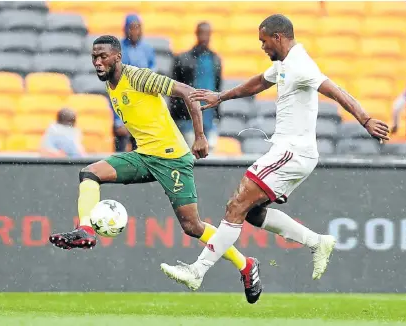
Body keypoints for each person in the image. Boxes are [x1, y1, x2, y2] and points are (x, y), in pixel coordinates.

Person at [160, 15, 390, 293]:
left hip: (292, 152)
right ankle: (317, 242)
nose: (262, 47)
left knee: (236, 205)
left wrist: (365, 120)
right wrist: (220, 97)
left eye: (264, 41)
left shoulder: (301, 65)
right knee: (253, 213)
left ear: (278, 37)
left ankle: (198, 270)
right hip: (291, 152)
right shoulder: (283, 64)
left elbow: (335, 91)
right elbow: (258, 82)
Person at [48, 35, 261, 304]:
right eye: (94, 57)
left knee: (192, 226)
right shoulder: (112, 86)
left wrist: (199, 136)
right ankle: (87, 231)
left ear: (117, 57)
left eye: (103, 56)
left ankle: (246, 265)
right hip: (144, 155)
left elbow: (188, 93)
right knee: (90, 173)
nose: (98, 62)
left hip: (172, 158)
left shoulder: (138, 77)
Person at [170, 22, 222, 151]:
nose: (204, 37)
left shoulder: (215, 59)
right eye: (202, 33)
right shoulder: (183, 59)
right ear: (196, 34)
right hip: (189, 117)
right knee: (191, 154)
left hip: (209, 117)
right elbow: (174, 88)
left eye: (207, 34)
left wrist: (217, 114)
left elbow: (218, 87)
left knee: (210, 158)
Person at [113, 14, 156, 152]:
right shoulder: (118, 49)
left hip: (141, 105)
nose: (135, 31)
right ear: (125, 29)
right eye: (132, 28)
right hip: (124, 101)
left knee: (142, 151)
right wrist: (119, 121)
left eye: (138, 28)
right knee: (120, 154)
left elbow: (152, 77)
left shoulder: (147, 50)